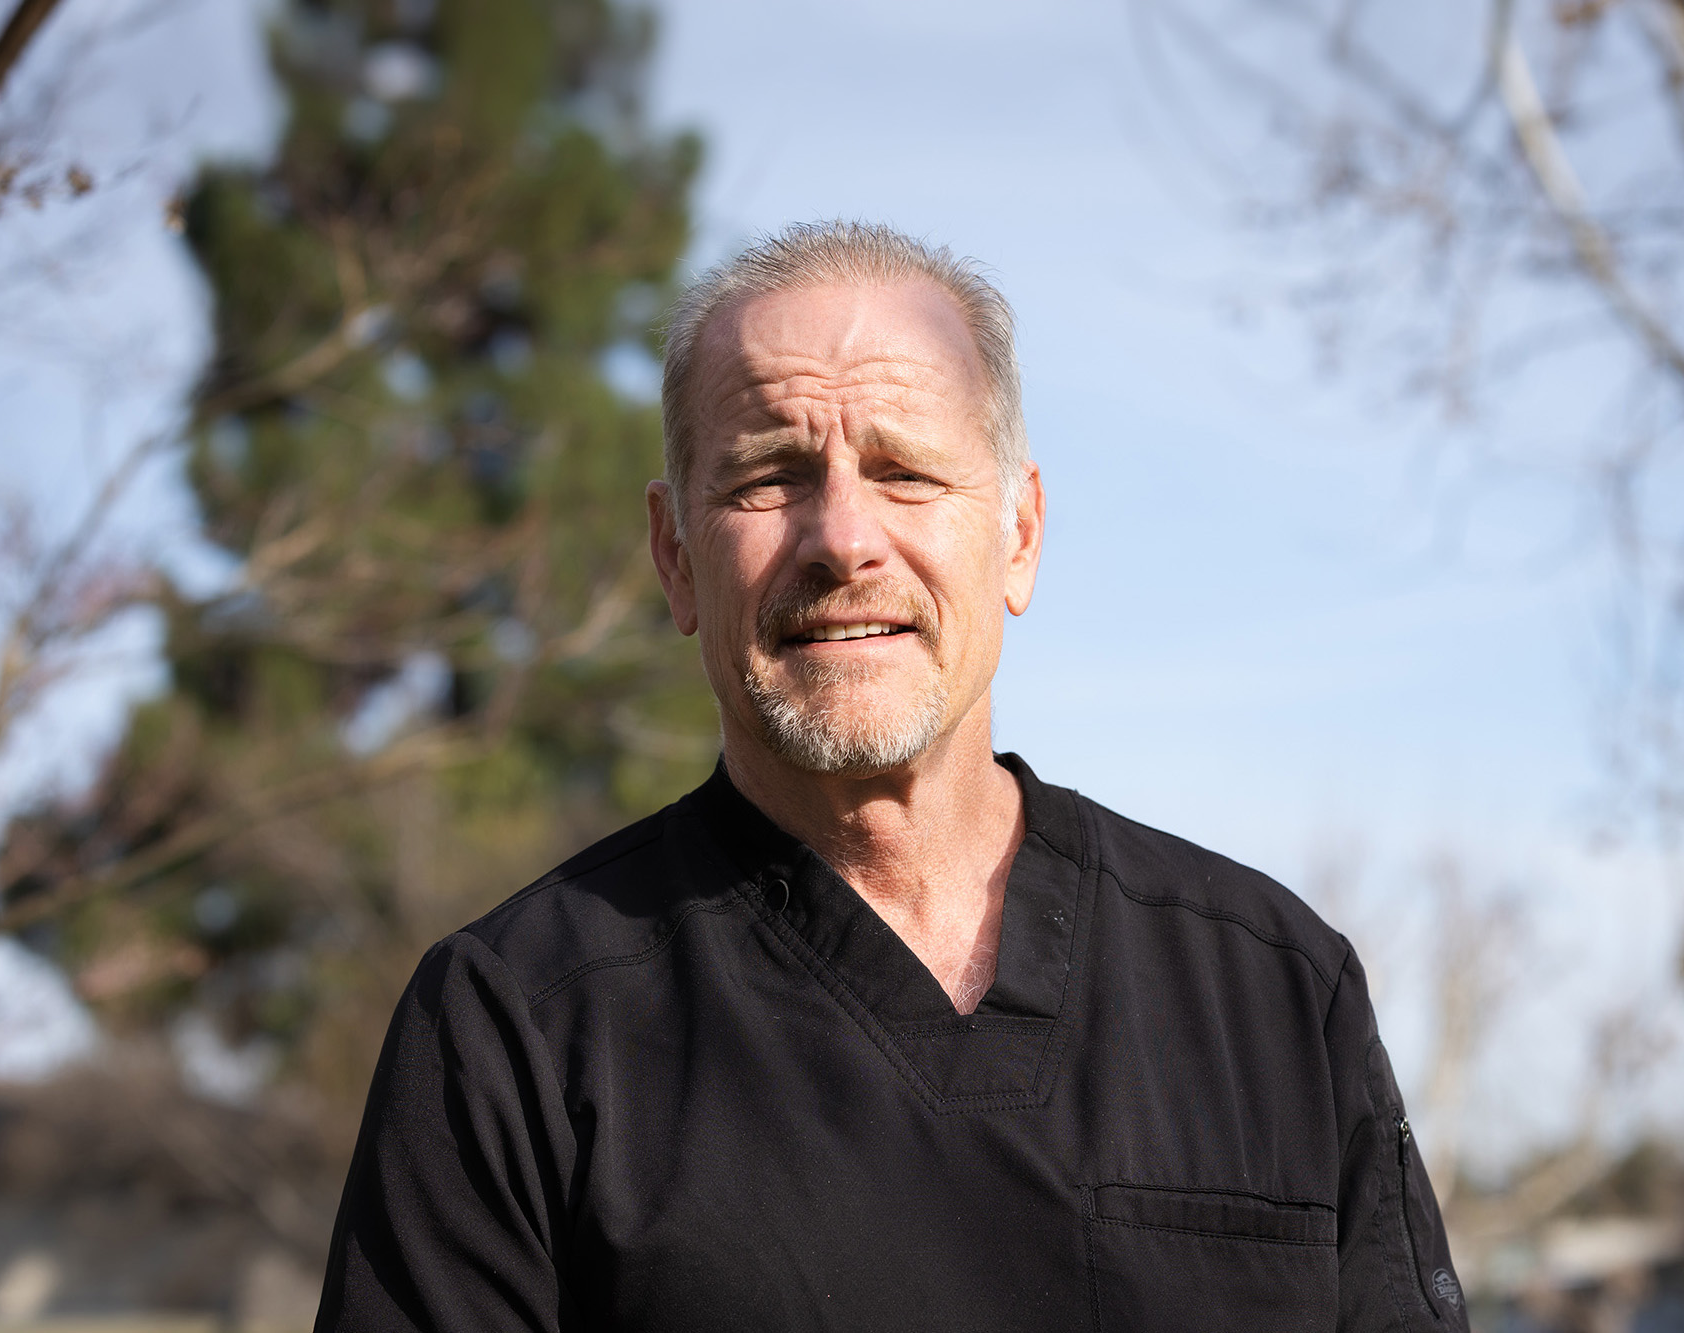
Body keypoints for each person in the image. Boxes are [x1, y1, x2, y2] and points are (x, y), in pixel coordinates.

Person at [315, 221, 1465, 1333]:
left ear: (1018, 534)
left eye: (907, 472)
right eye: (768, 476)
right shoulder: (515, 1025)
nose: (842, 537)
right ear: (674, 559)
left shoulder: (1266, 990)